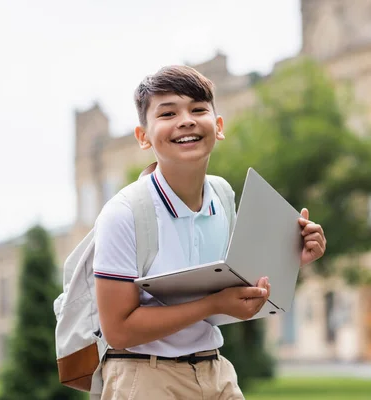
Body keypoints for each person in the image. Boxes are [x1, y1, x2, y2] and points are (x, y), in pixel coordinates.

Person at [93, 65, 327, 399]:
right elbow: (118, 330)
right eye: (168, 113)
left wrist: (292, 256)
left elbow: (233, 282)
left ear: (218, 127)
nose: (186, 120)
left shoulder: (222, 194)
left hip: (214, 371)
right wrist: (211, 305)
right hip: (144, 376)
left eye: (198, 109)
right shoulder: (124, 213)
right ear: (143, 136)